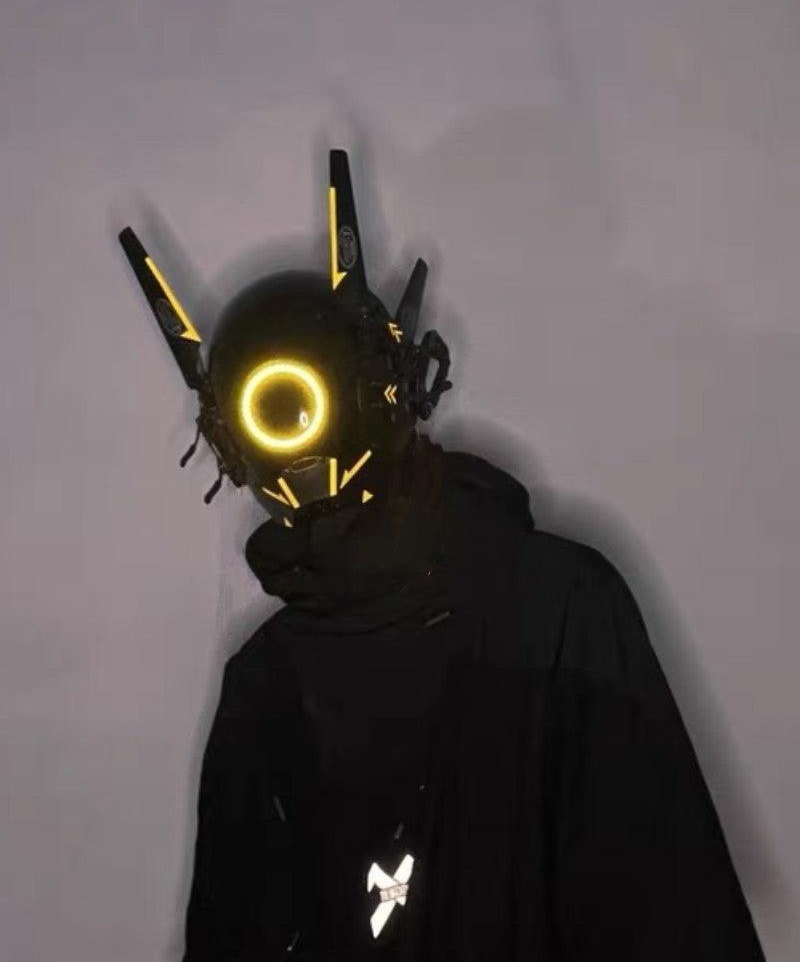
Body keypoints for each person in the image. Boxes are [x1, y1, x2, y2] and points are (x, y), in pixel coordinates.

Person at [119, 151, 766, 961]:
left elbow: (674, 912)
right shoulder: (266, 687)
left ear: (382, 385)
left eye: (297, 399)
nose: (290, 435)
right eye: (265, 411)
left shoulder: (556, 612)